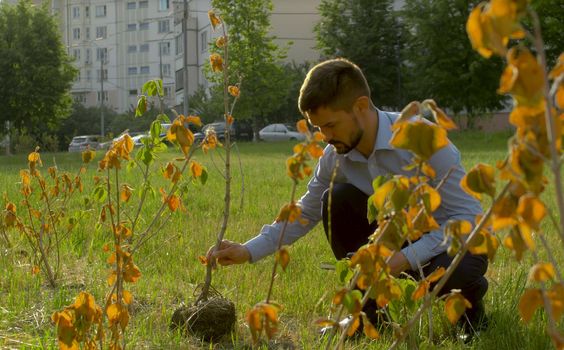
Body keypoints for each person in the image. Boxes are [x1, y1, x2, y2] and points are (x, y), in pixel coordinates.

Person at [207, 58, 489, 338]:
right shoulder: (335, 157)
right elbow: (304, 213)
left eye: (331, 125)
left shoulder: (424, 140)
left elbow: (470, 220)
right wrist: (247, 250)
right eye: (318, 128)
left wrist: (405, 258)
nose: (325, 137)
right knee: (335, 199)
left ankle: (470, 316)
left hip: (448, 243)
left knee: (462, 264)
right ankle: (368, 317)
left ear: (361, 106)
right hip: (393, 242)